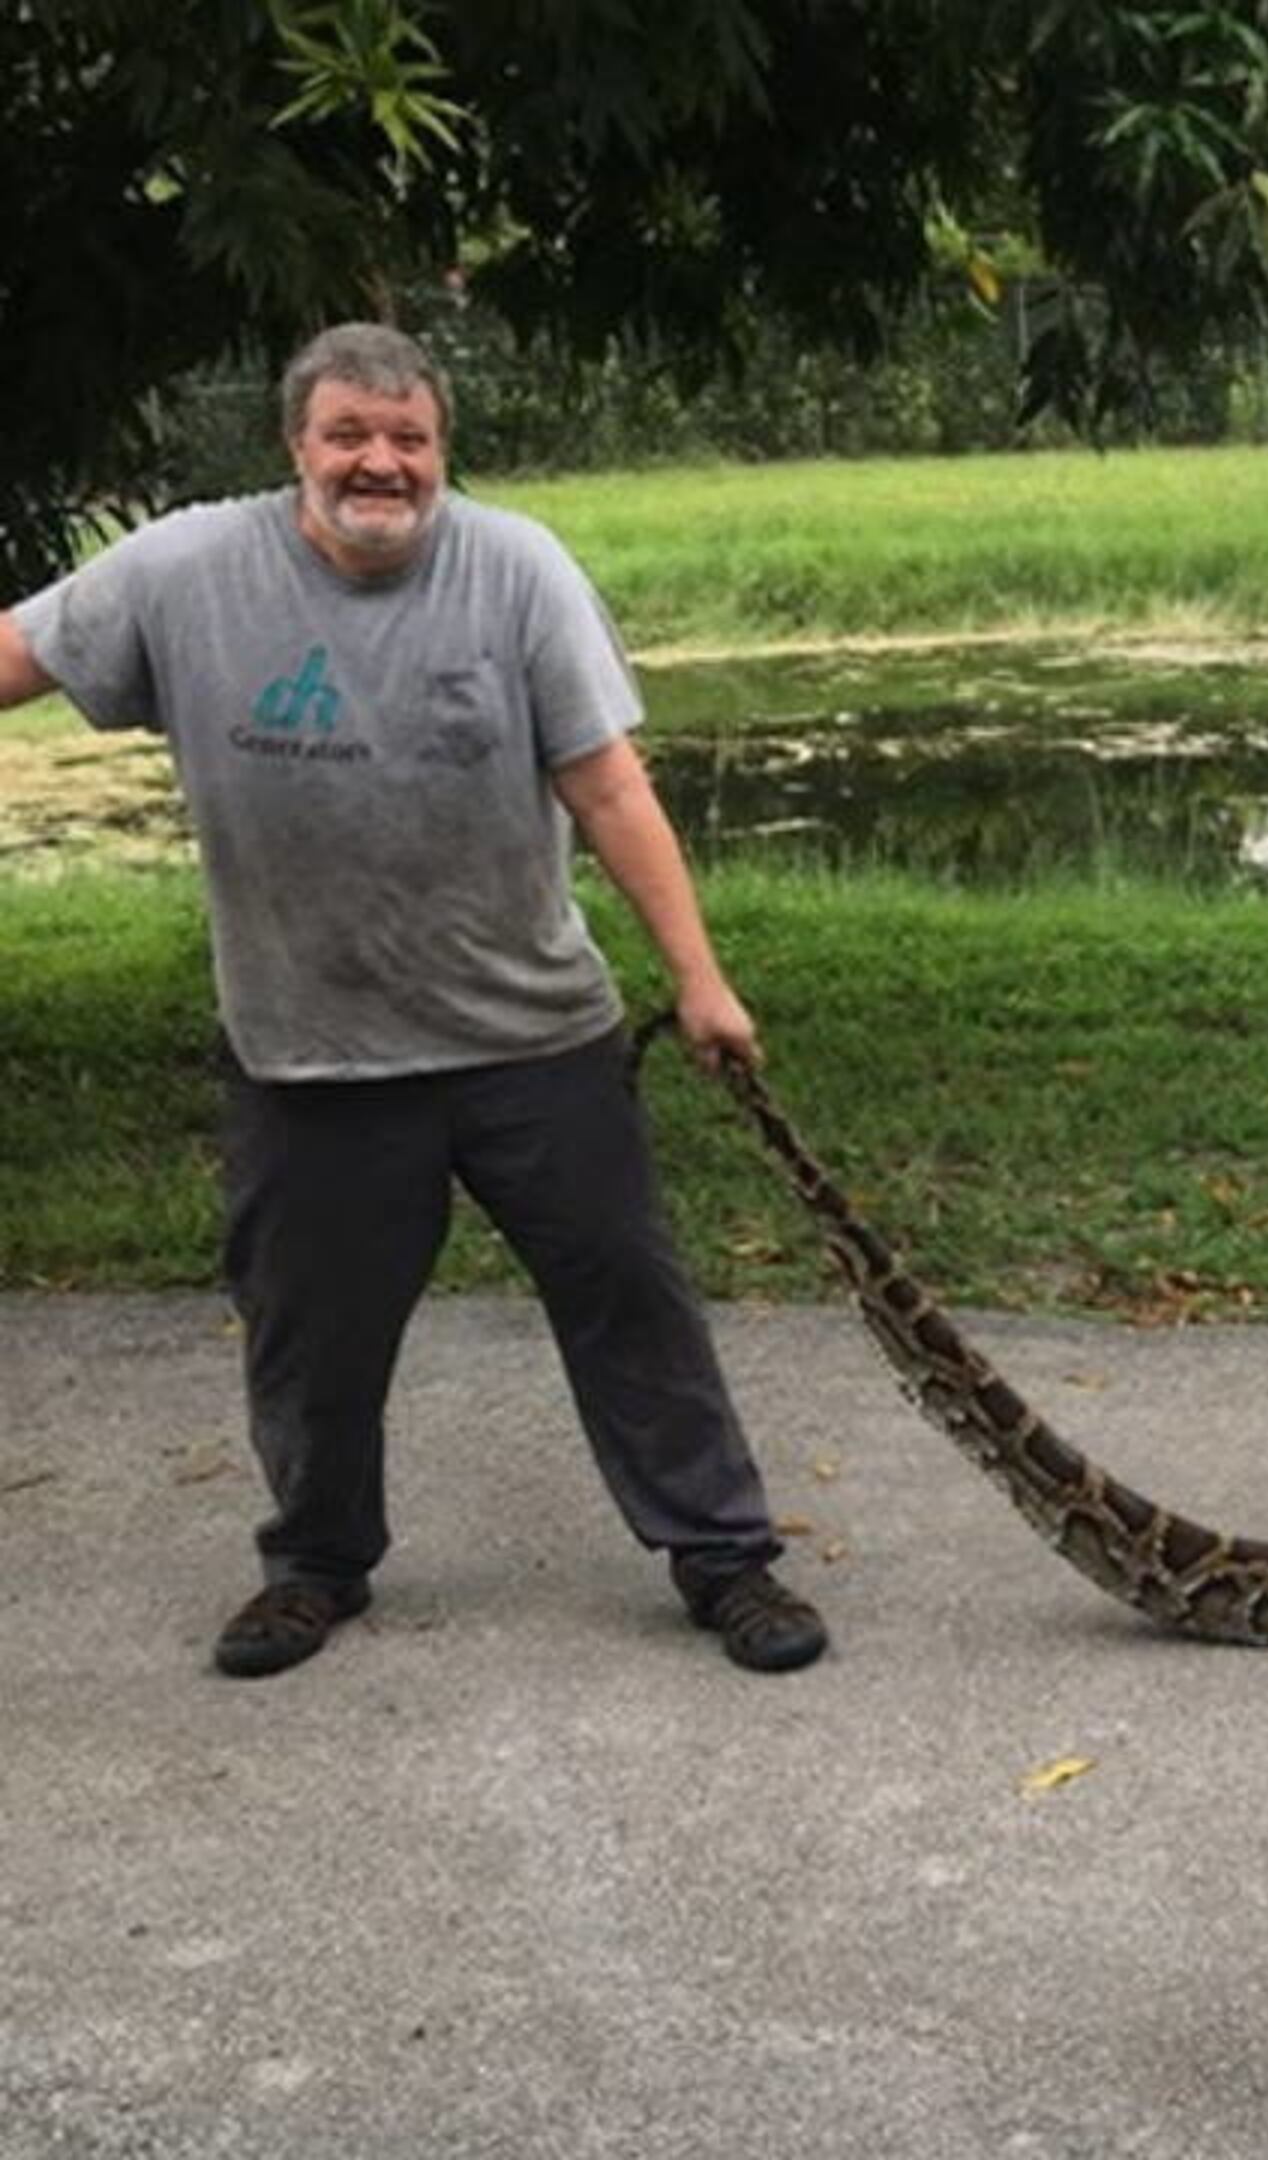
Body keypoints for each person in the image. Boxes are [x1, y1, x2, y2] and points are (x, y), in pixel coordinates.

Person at [0, 322, 827, 1678]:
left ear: (441, 452)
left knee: (632, 1300)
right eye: (349, 436)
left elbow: (608, 783)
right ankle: (317, 1565)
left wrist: (699, 978)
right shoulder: (186, 568)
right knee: (308, 1334)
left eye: (408, 439)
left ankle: (726, 1557)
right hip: (308, 1051)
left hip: (532, 1038)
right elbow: (17, 655)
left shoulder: (517, 570)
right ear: (296, 448)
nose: (379, 464)